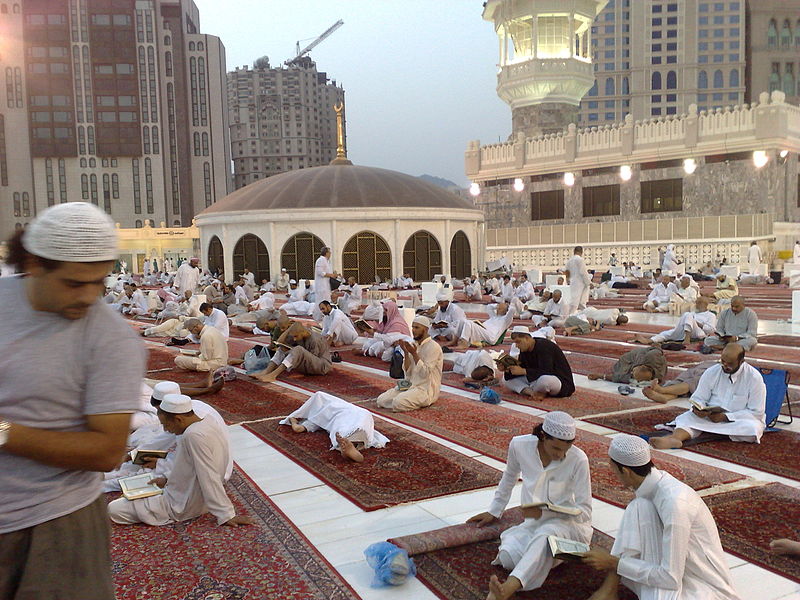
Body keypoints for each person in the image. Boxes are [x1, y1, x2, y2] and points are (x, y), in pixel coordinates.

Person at [0, 202, 145, 600]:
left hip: (54, 525)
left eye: (98, 282)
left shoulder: (112, 339)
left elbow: (106, 451)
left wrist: (3, 432)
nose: (90, 296)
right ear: (34, 263)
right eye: (74, 283)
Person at [585, 435, 740, 600]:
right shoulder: (652, 492)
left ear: (625, 471)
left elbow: (670, 578)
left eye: (613, 469)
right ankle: (609, 589)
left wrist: (613, 562)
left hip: (703, 587)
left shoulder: (675, 503)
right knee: (638, 507)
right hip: (678, 573)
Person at [468, 412, 591, 600]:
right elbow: (509, 476)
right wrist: (494, 510)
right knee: (508, 557)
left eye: (565, 449)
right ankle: (543, 559)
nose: (560, 455)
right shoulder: (519, 445)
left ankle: (507, 589)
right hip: (533, 525)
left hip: (571, 530)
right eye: (556, 448)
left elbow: (585, 512)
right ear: (542, 436)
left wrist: (549, 509)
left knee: (546, 536)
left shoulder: (578, 459)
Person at [108, 393, 252, 528]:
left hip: (182, 503)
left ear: (178, 419)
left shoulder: (193, 435)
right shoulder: (206, 421)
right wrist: (166, 479)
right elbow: (188, 466)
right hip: (189, 491)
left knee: (114, 509)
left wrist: (226, 515)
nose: (166, 430)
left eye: (166, 425)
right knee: (137, 486)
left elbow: (209, 475)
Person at [651, 343, 766, 449]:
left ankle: (705, 432)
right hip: (708, 417)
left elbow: (756, 412)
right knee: (686, 417)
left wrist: (726, 417)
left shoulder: (754, 378)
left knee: (753, 428)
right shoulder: (712, 372)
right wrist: (699, 409)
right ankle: (675, 439)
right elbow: (699, 397)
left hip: (736, 421)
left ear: (741, 362)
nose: (725, 366)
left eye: (730, 363)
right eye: (723, 361)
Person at [281, 391, 389, 463]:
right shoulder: (318, 416)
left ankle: (348, 447)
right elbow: (299, 428)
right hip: (360, 414)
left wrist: (293, 419)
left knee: (341, 428)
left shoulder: (317, 416)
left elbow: (298, 429)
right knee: (358, 422)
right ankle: (350, 447)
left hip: (345, 416)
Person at [375, 316, 443, 412]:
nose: (413, 330)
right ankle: (407, 398)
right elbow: (407, 371)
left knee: (398, 403)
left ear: (426, 329)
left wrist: (414, 354)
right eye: (412, 327)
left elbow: (425, 373)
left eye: (417, 328)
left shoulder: (433, 347)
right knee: (381, 400)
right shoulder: (413, 344)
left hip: (425, 388)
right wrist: (406, 353)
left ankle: (416, 400)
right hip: (410, 385)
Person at [501, 326, 575, 398]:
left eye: (518, 342)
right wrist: (507, 369)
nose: (517, 346)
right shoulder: (524, 349)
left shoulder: (544, 346)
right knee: (505, 380)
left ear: (527, 338)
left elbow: (547, 371)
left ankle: (535, 390)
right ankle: (532, 392)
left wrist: (524, 371)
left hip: (558, 381)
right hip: (535, 380)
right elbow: (523, 368)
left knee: (545, 381)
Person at [252, 321, 332, 383]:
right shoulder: (298, 333)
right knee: (282, 348)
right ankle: (267, 371)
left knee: (298, 349)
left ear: (303, 332)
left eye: (296, 336)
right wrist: (290, 328)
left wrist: (294, 351)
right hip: (309, 363)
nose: (294, 339)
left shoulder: (315, 340)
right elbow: (280, 341)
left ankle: (273, 375)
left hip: (321, 366)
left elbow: (311, 358)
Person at [631, 296, 716, 346]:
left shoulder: (711, 315)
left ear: (705, 304)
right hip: (686, 329)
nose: (697, 304)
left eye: (699, 303)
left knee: (687, 315)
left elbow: (710, 330)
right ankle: (650, 340)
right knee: (667, 333)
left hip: (699, 333)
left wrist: (697, 324)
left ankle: (687, 339)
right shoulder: (693, 313)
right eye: (697, 302)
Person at [642, 360, 717, 404]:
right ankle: (664, 396)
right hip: (703, 367)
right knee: (681, 380)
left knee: (693, 382)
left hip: (713, 371)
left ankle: (662, 390)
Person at [588, 346, 667, 384]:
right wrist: (600, 376)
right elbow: (656, 347)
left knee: (623, 377)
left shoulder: (659, 372)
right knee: (621, 375)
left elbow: (618, 377)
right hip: (629, 359)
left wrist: (600, 376)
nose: (631, 373)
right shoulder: (647, 356)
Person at [565, 246, 591, 312]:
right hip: (580, 282)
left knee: (577, 301)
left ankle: (584, 313)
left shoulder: (569, 260)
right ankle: (571, 315)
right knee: (577, 302)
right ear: (581, 252)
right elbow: (583, 272)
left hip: (572, 282)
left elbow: (567, 272)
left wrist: (568, 280)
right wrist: (588, 283)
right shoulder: (580, 260)